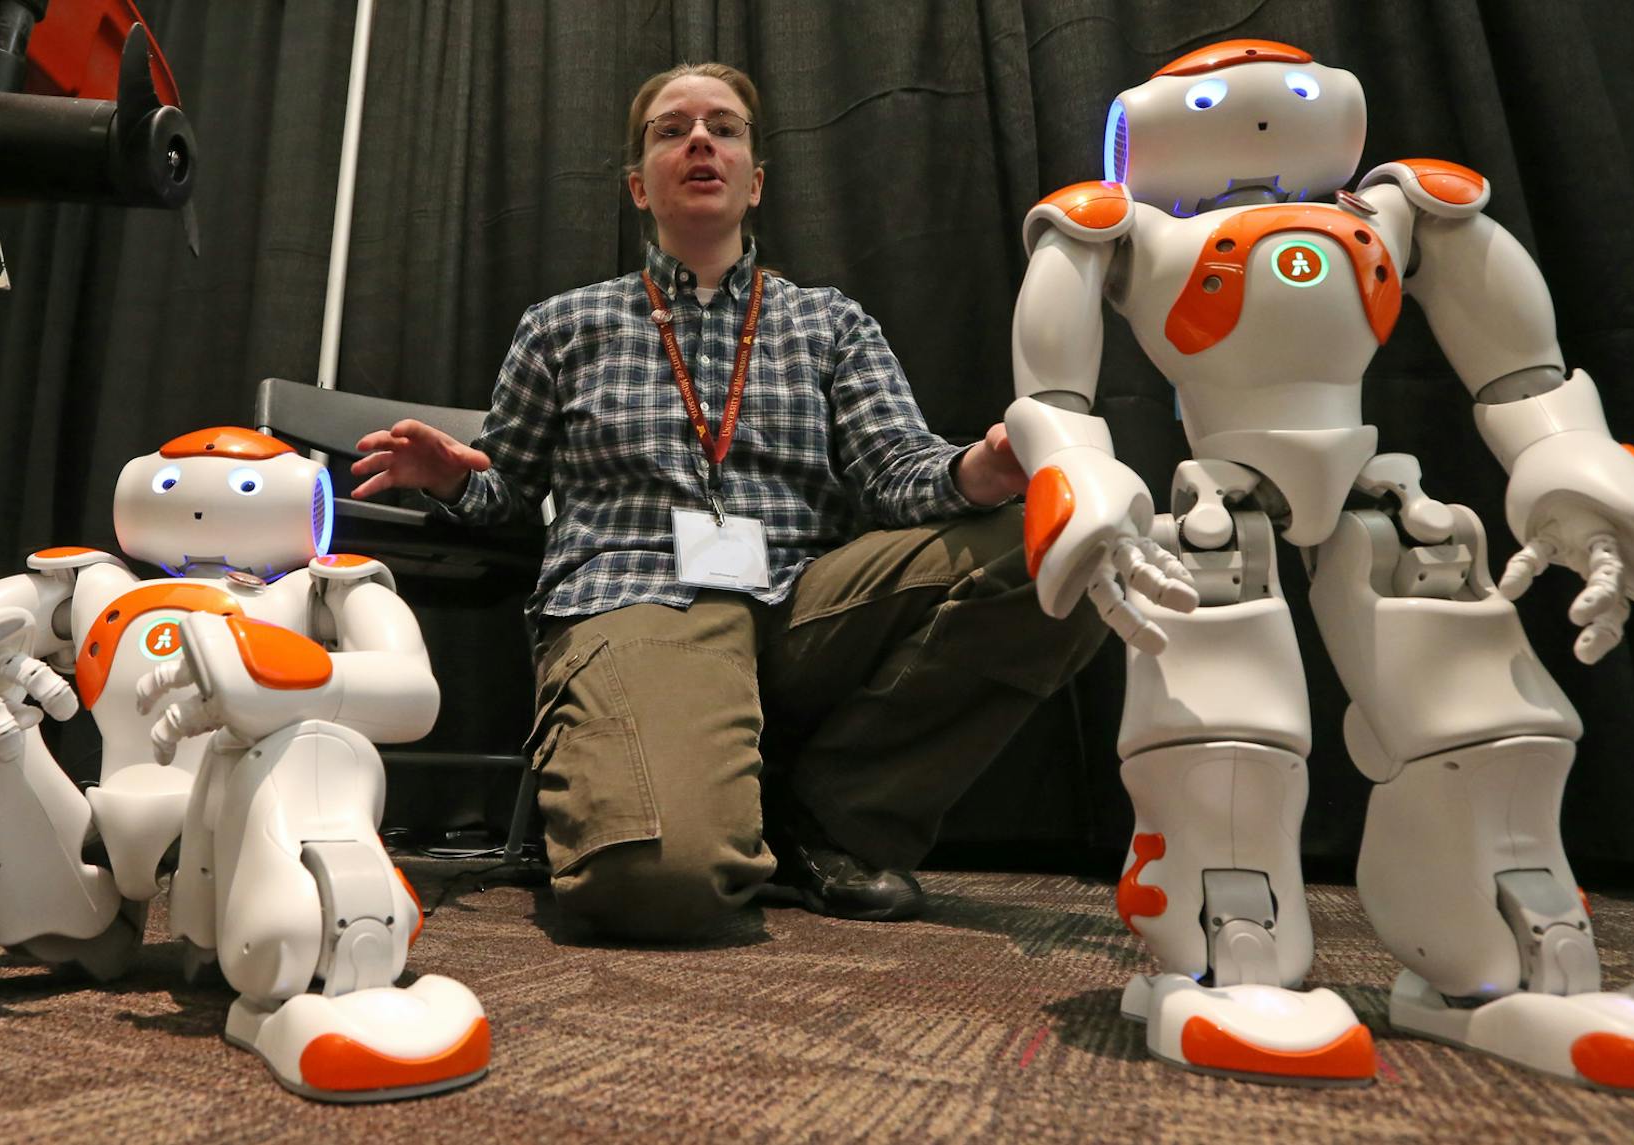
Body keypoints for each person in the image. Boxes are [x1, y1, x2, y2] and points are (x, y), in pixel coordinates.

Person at [351, 62, 1105, 942]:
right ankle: (716, 802)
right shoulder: (561, 325)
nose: (700, 140)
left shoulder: (831, 323)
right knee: (663, 886)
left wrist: (982, 468)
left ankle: (830, 817)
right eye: (672, 131)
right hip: (636, 597)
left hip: (802, 604)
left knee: (1067, 552)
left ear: (756, 180)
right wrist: (449, 478)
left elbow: (899, 472)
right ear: (640, 186)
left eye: (725, 127)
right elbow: (509, 499)